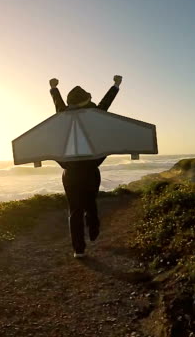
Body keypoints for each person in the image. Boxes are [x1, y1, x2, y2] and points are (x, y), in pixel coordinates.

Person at [49, 75, 122, 258]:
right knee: (90, 203)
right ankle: (94, 228)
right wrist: (115, 85)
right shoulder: (94, 114)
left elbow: (57, 104)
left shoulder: (64, 115)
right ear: (87, 100)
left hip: (70, 171)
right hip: (90, 168)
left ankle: (78, 250)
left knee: (75, 210)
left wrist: (53, 88)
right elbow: (106, 102)